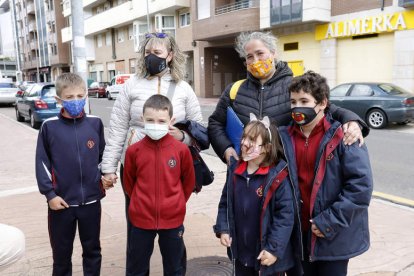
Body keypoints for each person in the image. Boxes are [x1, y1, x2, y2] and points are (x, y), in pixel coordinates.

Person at [100, 32, 202, 263]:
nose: (151, 57)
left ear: (170, 55)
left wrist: (183, 137)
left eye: (157, 53)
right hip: (137, 165)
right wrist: (109, 168)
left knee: (173, 231)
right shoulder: (131, 86)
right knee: (136, 228)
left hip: (172, 165)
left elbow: (199, 128)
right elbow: (117, 128)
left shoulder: (183, 88)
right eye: (147, 53)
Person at [208, 31, 369, 165]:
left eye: (260, 53)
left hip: (283, 175)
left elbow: (328, 109)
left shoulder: (294, 87)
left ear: (273, 53)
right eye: (249, 57)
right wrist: (226, 149)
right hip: (244, 173)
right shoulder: (235, 90)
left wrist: (352, 121)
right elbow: (216, 123)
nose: (255, 61)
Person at [279, 71, 373, 276]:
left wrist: (328, 222)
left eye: (304, 100)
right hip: (296, 235)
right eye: (293, 102)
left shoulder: (345, 136)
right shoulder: (283, 136)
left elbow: (360, 187)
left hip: (332, 236)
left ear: (322, 104)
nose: (297, 107)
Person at [35, 73, 105, 276]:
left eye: (80, 96)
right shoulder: (49, 127)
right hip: (61, 204)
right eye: (69, 97)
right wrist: (50, 195)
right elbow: (42, 162)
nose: (76, 101)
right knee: (61, 255)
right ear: (59, 100)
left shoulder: (95, 123)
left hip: (91, 202)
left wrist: (106, 176)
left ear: (86, 96)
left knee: (92, 251)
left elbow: (102, 156)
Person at [214, 116, 296, 276]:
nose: (244, 143)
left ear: (266, 147)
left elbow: (285, 217)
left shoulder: (277, 176)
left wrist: (273, 249)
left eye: (251, 140)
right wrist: (224, 229)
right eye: (244, 137)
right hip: (241, 252)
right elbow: (225, 203)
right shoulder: (234, 171)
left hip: (266, 255)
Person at [123, 94, 195, 275]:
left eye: (161, 121)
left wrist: (176, 202)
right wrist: (139, 203)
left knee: (174, 267)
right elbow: (129, 182)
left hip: (172, 219)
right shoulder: (134, 151)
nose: (155, 124)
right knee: (136, 267)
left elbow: (188, 182)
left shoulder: (181, 150)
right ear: (142, 119)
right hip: (140, 220)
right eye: (150, 120)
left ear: (172, 120)